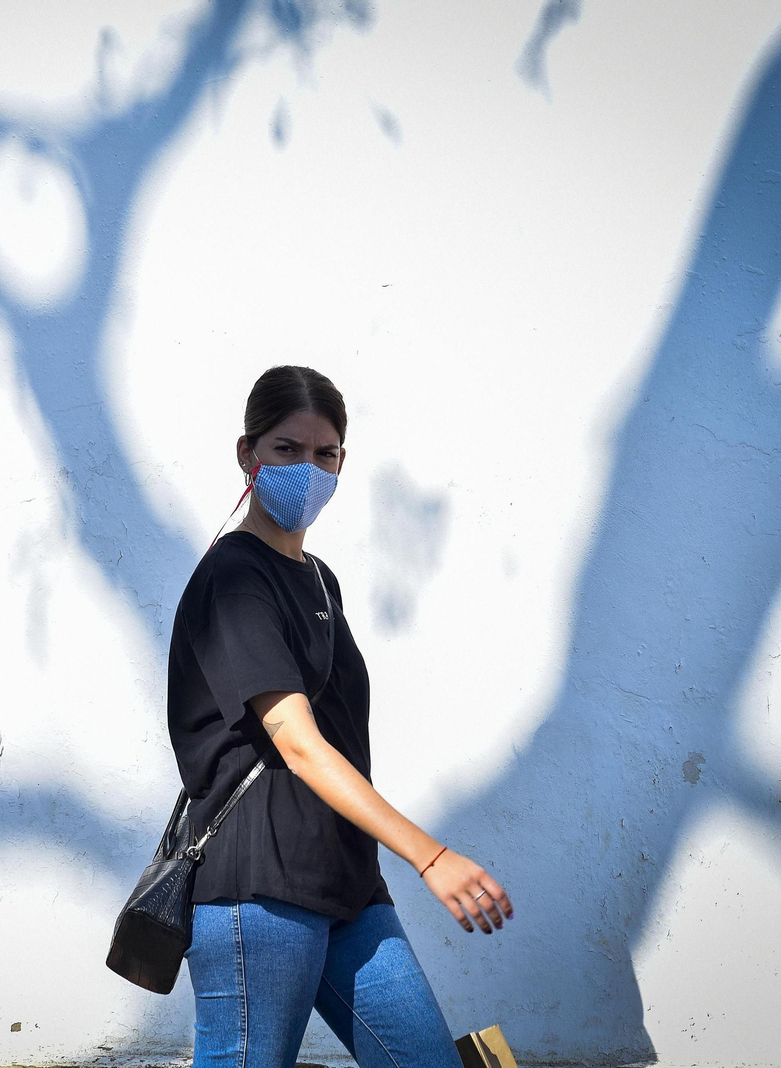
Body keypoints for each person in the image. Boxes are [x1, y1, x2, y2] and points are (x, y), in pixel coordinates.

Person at [169, 365, 513, 1068]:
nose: (307, 469)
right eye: (286, 449)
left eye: (324, 454)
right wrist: (431, 856)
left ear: (341, 464)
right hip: (261, 888)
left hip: (347, 883)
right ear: (247, 453)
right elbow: (297, 743)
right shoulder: (235, 577)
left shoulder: (321, 579)